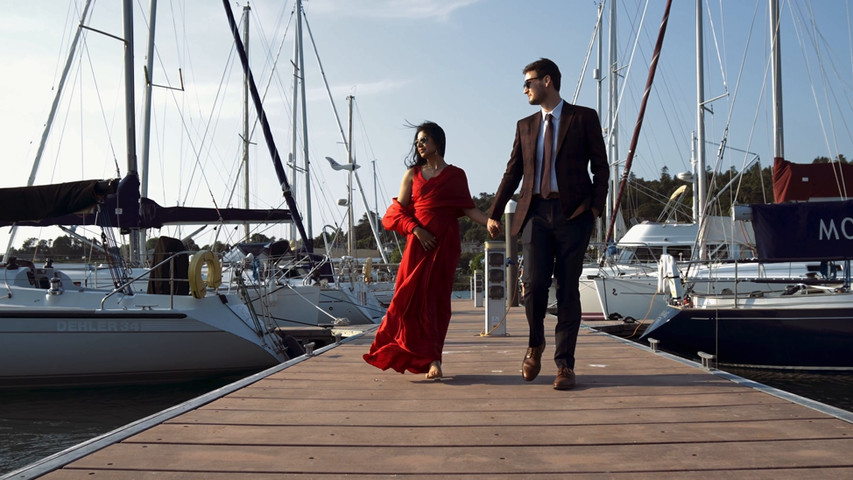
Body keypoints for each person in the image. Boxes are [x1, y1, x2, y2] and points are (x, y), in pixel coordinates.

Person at [487, 58, 609, 390]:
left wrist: (595, 209)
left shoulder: (583, 117)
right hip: (535, 214)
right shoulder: (525, 125)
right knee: (535, 284)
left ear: (548, 81)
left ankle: (565, 365)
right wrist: (494, 213)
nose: (525, 88)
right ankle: (535, 343)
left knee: (568, 288)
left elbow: (601, 168)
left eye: (528, 82)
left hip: (573, 215)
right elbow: (512, 172)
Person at [363, 121, 490, 380]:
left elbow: (468, 209)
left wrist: (489, 222)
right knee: (407, 301)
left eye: (424, 140)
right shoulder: (412, 174)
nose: (420, 145)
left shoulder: (456, 175)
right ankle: (405, 349)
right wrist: (416, 230)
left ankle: (435, 359)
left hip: (444, 246)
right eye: (418, 141)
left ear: (438, 142)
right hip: (417, 245)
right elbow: (397, 211)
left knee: (437, 303)